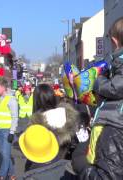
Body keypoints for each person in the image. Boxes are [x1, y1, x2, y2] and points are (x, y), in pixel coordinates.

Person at [72, 17, 123, 179]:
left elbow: (107, 176)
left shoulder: (115, 125)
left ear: (114, 41)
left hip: (112, 132)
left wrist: (82, 167)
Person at [28, 84, 79, 170]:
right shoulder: (67, 113)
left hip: (45, 167)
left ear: (36, 100)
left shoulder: (37, 123)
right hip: (68, 165)